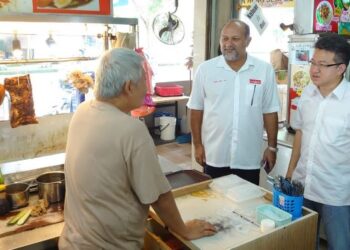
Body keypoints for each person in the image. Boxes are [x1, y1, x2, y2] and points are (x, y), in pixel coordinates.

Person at [59, 48, 216, 250]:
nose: (147, 89)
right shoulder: (132, 129)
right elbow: (159, 196)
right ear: (128, 87)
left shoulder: (83, 111)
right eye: (144, 81)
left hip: (71, 243)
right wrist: (184, 230)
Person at [187, 19, 280, 185]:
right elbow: (196, 109)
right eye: (224, 38)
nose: (228, 44)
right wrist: (198, 145)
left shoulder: (263, 70)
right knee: (214, 204)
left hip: (248, 157)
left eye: (235, 39)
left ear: (247, 41)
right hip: (214, 154)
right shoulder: (206, 70)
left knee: (247, 206)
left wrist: (272, 148)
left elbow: (270, 111)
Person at [286, 34, 350, 250]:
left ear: (341, 68)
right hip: (303, 186)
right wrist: (290, 173)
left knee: (339, 245)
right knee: (302, 242)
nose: (314, 69)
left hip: (337, 194)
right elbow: (300, 134)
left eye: (323, 65)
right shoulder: (307, 93)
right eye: (313, 62)